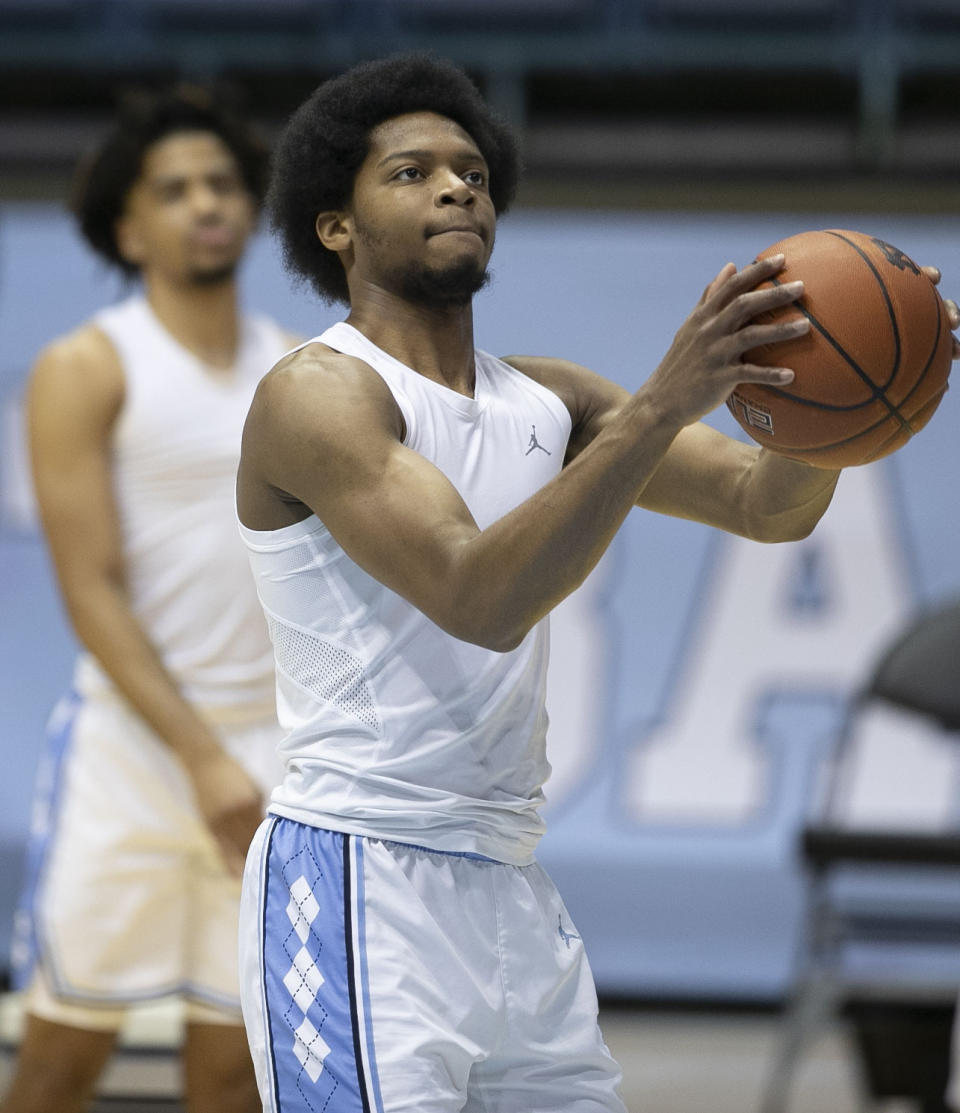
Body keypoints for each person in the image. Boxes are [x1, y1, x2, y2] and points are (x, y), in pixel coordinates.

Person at [235, 54, 959, 1112]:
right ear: (334, 226)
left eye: (473, 172)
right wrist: (665, 403)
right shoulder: (318, 396)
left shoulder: (549, 400)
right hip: (359, 878)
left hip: (509, 889)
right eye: (411, 173)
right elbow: (479, 597)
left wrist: (841, 403)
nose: (456, 188)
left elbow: (765, 505)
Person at [3, 85, 297, 1113]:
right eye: (173, 190)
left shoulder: (296, 373)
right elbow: (88, 589)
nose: (205, 203)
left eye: (221, 183)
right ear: (128, 229)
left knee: (234, 1069)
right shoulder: (87, 366)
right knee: (60, 1059)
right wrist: (200, 757)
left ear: (253, 209)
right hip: (133, 753)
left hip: (272, 751)